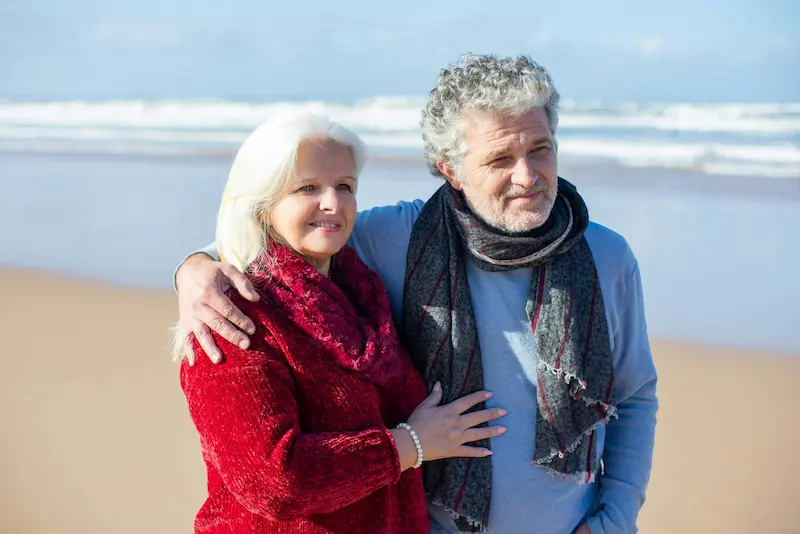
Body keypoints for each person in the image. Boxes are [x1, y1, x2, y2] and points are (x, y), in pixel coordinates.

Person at [175, 55, 658, 534]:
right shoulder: (399, 238)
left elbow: (634, 396)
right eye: (499, 159)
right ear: (451, 169)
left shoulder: (607, 256)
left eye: (540, 149)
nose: (527, 175)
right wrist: (194, 269)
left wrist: (614, 521)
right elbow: (281, 233)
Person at [176, 112, 508, 533]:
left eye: (345, 187)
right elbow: (273, 482)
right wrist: (411, 444)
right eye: (307, 187)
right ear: (261, 202)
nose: (332, 202)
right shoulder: (234, 315)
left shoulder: (364, 294)